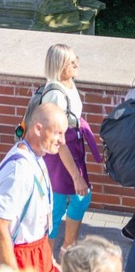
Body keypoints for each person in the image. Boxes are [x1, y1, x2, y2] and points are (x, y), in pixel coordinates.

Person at [0, 102, 68, 272]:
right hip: (21, 255)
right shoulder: (19, 171)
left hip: (38, 248)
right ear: (38, 129)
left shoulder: (36, 156)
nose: (63, 140)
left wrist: (49, 259)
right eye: (58, 133)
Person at [41, 44, 102, 259]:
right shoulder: (55, 94)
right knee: (57, 209)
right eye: (71, 62)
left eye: (76, 59)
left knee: (74, 201)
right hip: (60, 156)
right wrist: (76, 176)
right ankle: (49, 258)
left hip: (72, 149)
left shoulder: (68, 83)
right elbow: (58, 141)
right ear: (59, 66)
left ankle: (66, 249)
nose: (77, 64)